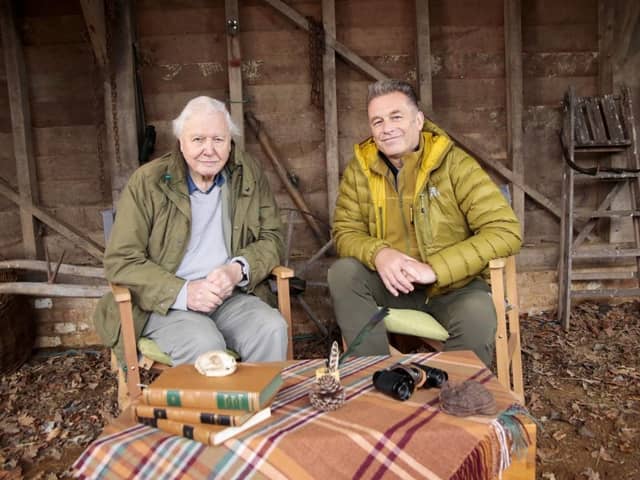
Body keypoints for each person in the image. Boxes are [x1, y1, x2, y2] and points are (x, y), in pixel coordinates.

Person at [328, 79, 522, 366]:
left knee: (478, 314)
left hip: (454, 286)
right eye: (377, 121)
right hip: (394, 284)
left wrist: (435, 269)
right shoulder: (361, 170)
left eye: (396, 117)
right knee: (343, 274)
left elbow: (506, 230)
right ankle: (374, 377)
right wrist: (379, 253)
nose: (387, 128)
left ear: (418, 120)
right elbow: (345, 231)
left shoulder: (455, 164)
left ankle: (456, 395)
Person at [94, 96, 288, 365]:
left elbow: (273, 238)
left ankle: (260, 406)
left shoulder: (248, 173)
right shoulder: (148, 182)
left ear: (229, 144)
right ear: (181, 143)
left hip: (229, 296)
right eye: (198, 140)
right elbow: (120, 262)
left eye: (218, 140)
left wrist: (237, 270)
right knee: (206, 345)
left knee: (271, 328)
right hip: (166, 304)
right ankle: (218, 408)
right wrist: (184, 292)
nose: (209, 150)